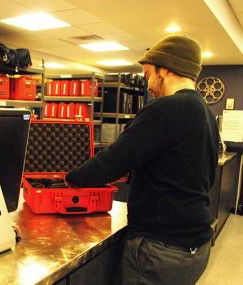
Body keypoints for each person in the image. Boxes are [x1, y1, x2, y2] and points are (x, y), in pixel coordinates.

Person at [65, 35, 219, 284]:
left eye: (148, 75)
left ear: (166, 69)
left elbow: (113, 160)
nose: (147, 85)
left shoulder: (165, 108)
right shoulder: (205, 113)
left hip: (160, 250)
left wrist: (71, 179)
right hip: (195, 247)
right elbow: (190, 171)